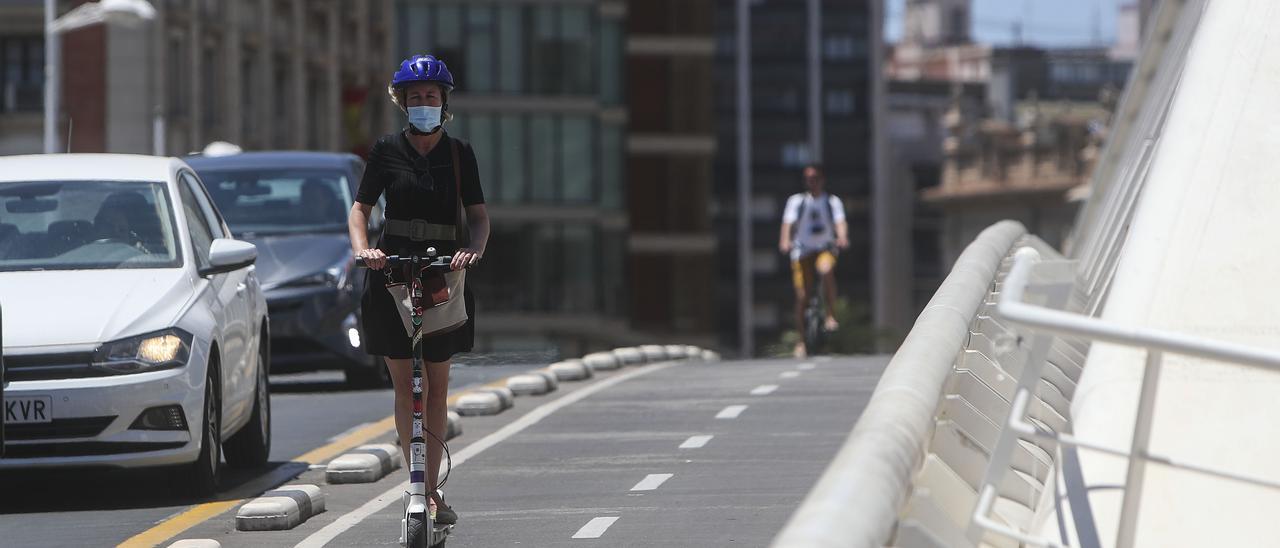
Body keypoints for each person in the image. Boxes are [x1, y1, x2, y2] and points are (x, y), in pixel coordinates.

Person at [347, 54, 489, 526]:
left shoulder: (459, 153)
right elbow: (360, 210)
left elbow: (479, 216)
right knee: (406, 389)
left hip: (443, 277)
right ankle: (414, 486)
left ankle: (432, 492)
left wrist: (473, 250)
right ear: (403, 103)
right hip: (392, 276)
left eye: (431, 96)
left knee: (435, 388)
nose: (423, 103)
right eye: (415, 97)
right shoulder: (386, 150)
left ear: (443, 103)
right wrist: (364, 250)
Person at [778, 164, 848, 357]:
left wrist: (842, 237)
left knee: (826, 270)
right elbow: (787, 223)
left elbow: (840, 222)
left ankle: (830, 315)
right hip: (802, 252)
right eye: (808, 178)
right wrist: (785, 241)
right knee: (802, 297)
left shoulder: (832, 202)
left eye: (815, 178)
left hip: (824, 249)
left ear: (822, 179)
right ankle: (801, 341)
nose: (812, 182)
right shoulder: (797, 202)